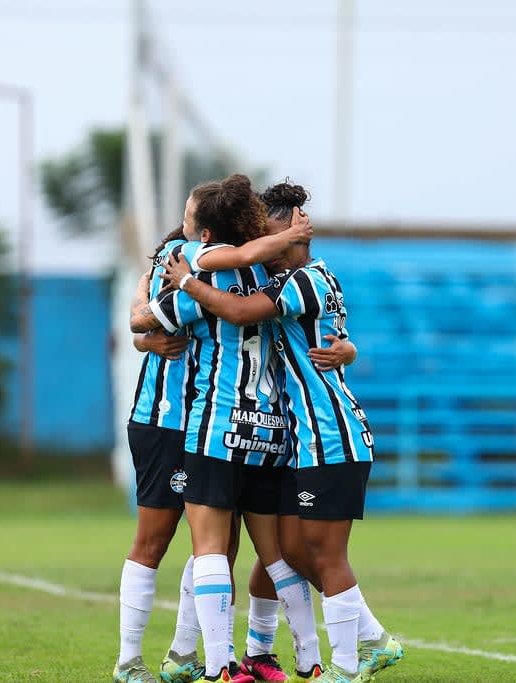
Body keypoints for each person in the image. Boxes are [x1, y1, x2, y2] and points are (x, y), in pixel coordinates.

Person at [160, 181, 404, 683]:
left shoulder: (303, 281)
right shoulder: (304, 279)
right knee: (290, 551)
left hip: (330, 435)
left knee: (322, 555)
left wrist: (184, 282)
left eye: (267, 231)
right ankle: (301, 648)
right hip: (301, 439)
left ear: (292, 225)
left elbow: (242, 312)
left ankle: (347, 662)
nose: (260, 245)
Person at [114, 174, 313, 683]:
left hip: (214, 423)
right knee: (157, 539)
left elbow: (145, 319)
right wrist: (144, 334)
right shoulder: (185, 258)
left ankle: (185, 655)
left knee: (219, 545)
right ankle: (129, 661)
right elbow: (142, 322)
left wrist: (144, 324)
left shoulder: (217, 267)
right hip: (166, 417)